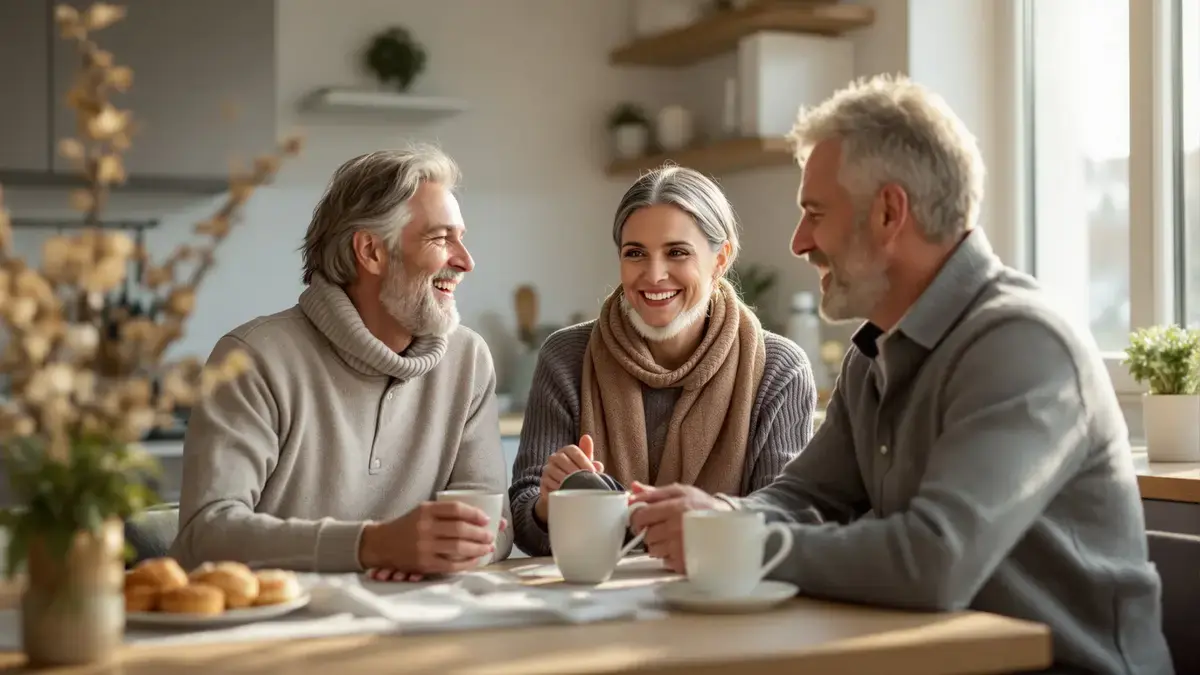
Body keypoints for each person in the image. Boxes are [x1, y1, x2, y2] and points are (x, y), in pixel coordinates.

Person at [628, 75, 1173, 674]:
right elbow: (807, 495)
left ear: (890, 212)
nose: (798, 241)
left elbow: (932, 561)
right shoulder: (876, 350)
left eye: (815, 213)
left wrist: (733, 544)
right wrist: (719, 518)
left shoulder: (1022, 344)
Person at [171, 145, 513, 578]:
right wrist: (371, 546)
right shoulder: (253, 357)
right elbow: (205, 536)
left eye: (461, 238)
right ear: (371, 251)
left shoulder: (468, 360)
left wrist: (434, 553)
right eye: (441, 238)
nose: (465, 261)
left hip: (418, 622)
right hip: (279, 631)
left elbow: (494, 528)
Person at [509, 166, 818, 561]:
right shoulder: (567, 356)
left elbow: (784, 522)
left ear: (721, 258)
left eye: (677, 252)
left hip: (719, 601)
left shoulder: (779, 369)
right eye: (635, 253)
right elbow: (524, 524)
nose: (654, 275)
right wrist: (549, 506)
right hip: (597, 608)